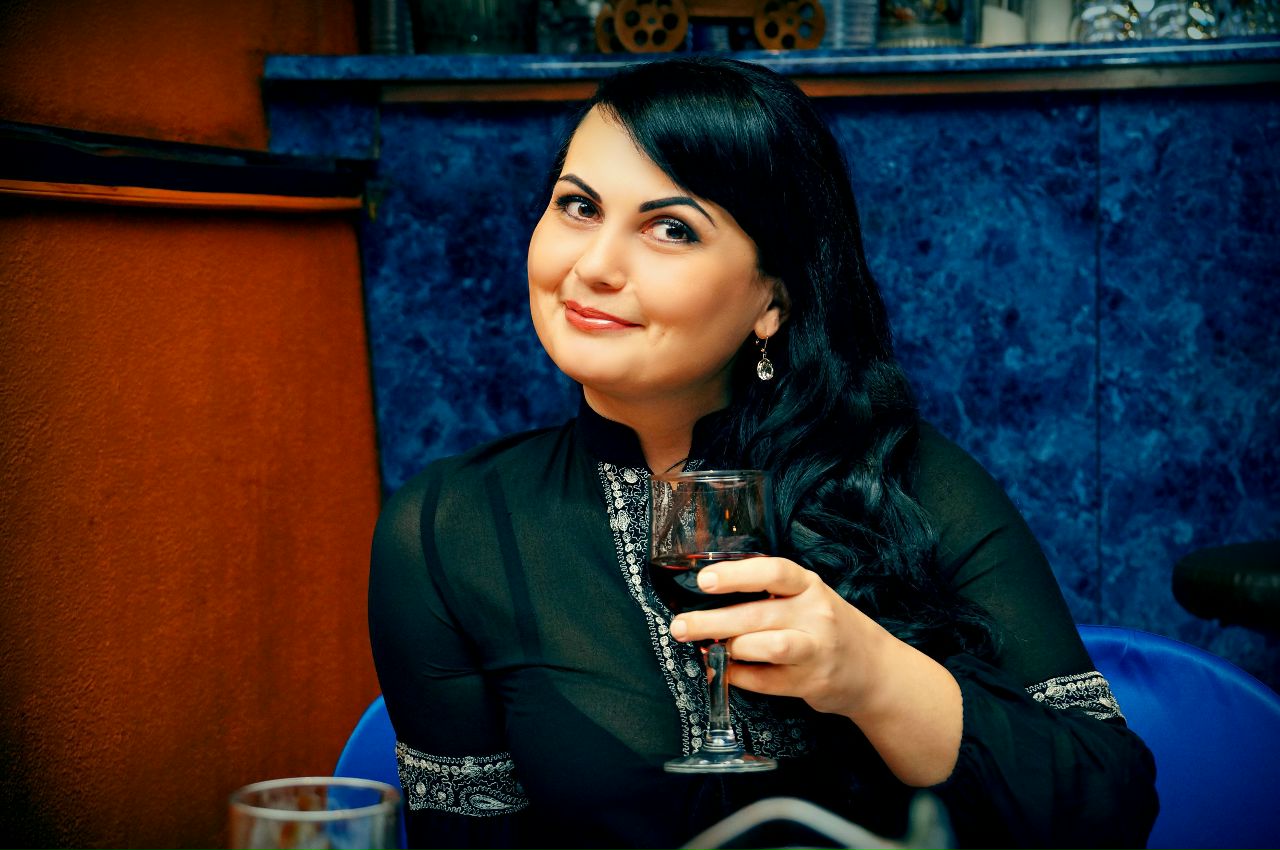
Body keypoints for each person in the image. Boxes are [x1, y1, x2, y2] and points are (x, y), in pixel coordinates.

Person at [368, 56, 1158, 849]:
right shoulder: (449, 529)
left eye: (670, 228)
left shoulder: (905, 481)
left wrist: (872, 675)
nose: (595, 266)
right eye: (579, 207)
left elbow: (1111, 811)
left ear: (772, 301)